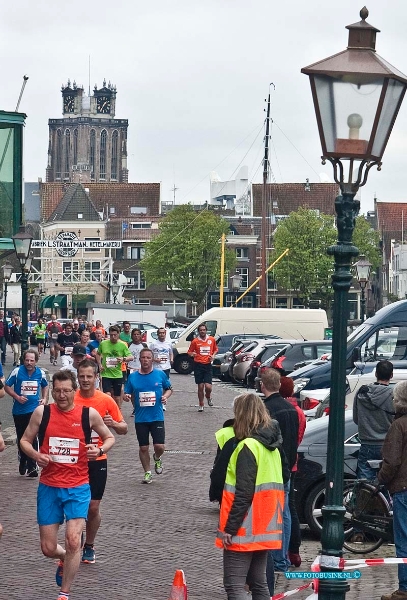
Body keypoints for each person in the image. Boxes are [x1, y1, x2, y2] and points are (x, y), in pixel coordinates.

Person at [20, 370, 115, 600]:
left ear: (75, 391)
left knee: (73, 540)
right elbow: (24, 440)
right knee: (48, 548)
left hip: (78, 486)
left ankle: (64, 593)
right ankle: (63, 558)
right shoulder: (42, 413)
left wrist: (99, 449)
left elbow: (109, 436)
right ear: (52, 391)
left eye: (66, 391)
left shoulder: (88, 415)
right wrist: (36, 455)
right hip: (49, 487)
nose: (62, 395)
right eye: (58, 391)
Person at [215, 392, 284, 600]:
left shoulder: (248, 447)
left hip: (245, 527)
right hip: (266, 525)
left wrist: (230, 528)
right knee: (259, 583)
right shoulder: (271, 447)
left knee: (235, 587)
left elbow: (243, 492)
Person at [75, 359, 127, 564]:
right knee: (75, 504)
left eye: (89, 376)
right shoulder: (71, 398)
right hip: (73, 459)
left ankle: (89, 545)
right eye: (82, 376)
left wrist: (113, 423)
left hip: (98, 459)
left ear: (97, 377)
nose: (86, 380)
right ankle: (75, 538)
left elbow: (124, 429)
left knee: (93, 507)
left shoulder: (105, 400)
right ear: (77, 377)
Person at [260, 368, 299, 592]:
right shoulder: (291, 410)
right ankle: (282, 558)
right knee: (284, 513)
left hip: (274, 468)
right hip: (288, 467)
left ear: (263, 385)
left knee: (274, 513)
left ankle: (276, 559)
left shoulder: (268, 410)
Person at [124, 348, 172, 484]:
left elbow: (169, 389)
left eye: (148, 358)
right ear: (139, 359)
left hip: (157, 416)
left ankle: (157, 458)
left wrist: (165, 397)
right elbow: (126, 392)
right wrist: (127, 396)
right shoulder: (133, 376)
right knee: (143, 447)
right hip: (141, 418)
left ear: (152, 359)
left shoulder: (160, 374)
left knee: (160, 446)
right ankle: (147, 472)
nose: (145, 360)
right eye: (143, 357)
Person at [379, 380, 407, 600]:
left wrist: (381, 480)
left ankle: (404, 588)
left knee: (404, 540)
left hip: (403, 489)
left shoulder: (399, 426)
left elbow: (392, 461)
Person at [4, 349, 49, 477]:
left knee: (33, 436)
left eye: (32, 360)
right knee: (21, 437)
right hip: (19, 411)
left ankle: (32, 467)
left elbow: (45, 385)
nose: (29, 363)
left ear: (36, 361)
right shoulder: (17, 371)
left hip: (34, 410)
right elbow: (7, 386)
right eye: (27, 360)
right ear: (24, 360)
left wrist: (45, 398)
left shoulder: (40, 373)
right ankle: (23, 460)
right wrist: (17, 397)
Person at [278, 376, 306, 568]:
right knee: (290, 508)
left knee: (287, 509)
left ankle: (288, 550)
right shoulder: (299, 412)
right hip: (293, 462)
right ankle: (293, 550)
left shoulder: (286, 411)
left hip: (286, 464)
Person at [353, 359, 394, 481]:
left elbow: (356, 419)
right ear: (391, 375)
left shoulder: (362, 393)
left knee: (365, 484)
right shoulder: (393, 395)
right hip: (387, 444)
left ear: (376, 374)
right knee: (388, 481)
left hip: (367, 443)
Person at [96, 325, 132, 407]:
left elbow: (131, 357)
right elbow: (97, 354)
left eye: (115, 335)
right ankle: (108, 412)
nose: (113, 337)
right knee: (107, 395)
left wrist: (123, 358)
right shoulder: (103, 343)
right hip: (106, 374)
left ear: (119, 334)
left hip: (117, 375)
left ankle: (118, 412)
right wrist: (99, 364)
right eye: (111, 335)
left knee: (117, 397)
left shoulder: (123, 345)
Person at [187, 323, 218, 411]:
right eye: (201, 330)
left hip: (207, 365)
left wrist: (213, 355)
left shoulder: (211, 339)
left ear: (206, 330)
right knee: (200, 387)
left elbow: (215, 349)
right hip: (198, 365)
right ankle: (201, 404)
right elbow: (189, 352)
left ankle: (208, 396)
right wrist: (192, 354)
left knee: (208, 387)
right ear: (198, 331)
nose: (202, 331)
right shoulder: (195, 341)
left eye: (204, 330)